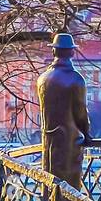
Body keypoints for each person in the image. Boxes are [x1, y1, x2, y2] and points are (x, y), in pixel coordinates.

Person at [37, 32, 90, 188]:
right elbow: (80, 113)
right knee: (68, 190)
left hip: (49, 142)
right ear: (72, 52)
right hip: (70, 143)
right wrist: (87, 134)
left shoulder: (43, 79)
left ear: (53, 51)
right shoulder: (75, 79)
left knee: (51, 184)